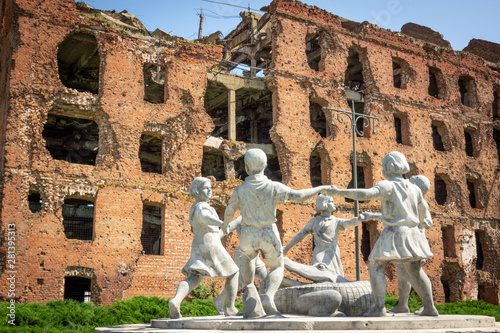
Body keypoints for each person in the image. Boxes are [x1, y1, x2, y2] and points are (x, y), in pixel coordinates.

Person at [223, 148, 332, 316]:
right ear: (265, 165)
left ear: (245, 167)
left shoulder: (239, 190)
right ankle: (268, 295)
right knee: (277, 265)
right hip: (268, 232)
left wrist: (224, 225)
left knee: (247, 259)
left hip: (248, 234)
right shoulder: (273, 186)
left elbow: (230, 210)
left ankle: (250, 291)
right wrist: (320, 188)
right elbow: (299, 196)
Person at [328, 151, 438, 317]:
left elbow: (367, 194)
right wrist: (418, 221)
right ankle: (430, 307)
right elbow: (423, 209)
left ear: (391, 166)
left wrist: (340, 192)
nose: (383, 169)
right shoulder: (414, 188)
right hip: (414, 233)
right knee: (414, 270)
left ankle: (379, 308)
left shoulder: (388, 185)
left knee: (376, 265)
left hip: (395, 232)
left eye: (384, 165)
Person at [360, 175, 432, 315]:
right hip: (406, 240)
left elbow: (428, 222)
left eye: (414, 178)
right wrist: (374, 216)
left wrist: (419, 219)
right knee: (402, 273)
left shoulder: (418, 200)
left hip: (413, 242)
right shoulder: (409, 198)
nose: (409, 178)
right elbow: (397, 216)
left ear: (417, 185)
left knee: (411, 273)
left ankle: (427, 305)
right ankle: (403, 305)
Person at [169, 177, 239, 319]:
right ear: (197, 191)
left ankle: (176, 300)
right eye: (206, 188)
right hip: (210, 242)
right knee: (234, 272)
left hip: (198, 242)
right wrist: (220, 221)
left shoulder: (193, 207)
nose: (210, 191)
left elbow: (213, 229)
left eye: (210, 188)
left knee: (195, 276)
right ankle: (230, 308)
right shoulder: (202, 207)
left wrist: (235, 223)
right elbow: (204, 217)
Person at [282, 195, 365, 284]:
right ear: (324, 204)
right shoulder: (314, 221)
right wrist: (286, 248)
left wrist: (359, 219)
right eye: (331, 201)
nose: (334, 203)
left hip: (332, 252)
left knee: (335, 278)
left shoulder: (335, 221)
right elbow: (301, 234)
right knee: (319, 273)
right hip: (319, 250)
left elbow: (348, 222)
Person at [213, 217, 268, 314]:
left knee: (267, 278)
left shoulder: (259, 216)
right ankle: (221, 301)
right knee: (240, 282)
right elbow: (227, 228)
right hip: (243, 255)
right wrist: (214, 240)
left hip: (256, 256)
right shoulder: (243, 217)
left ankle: (262, 305)